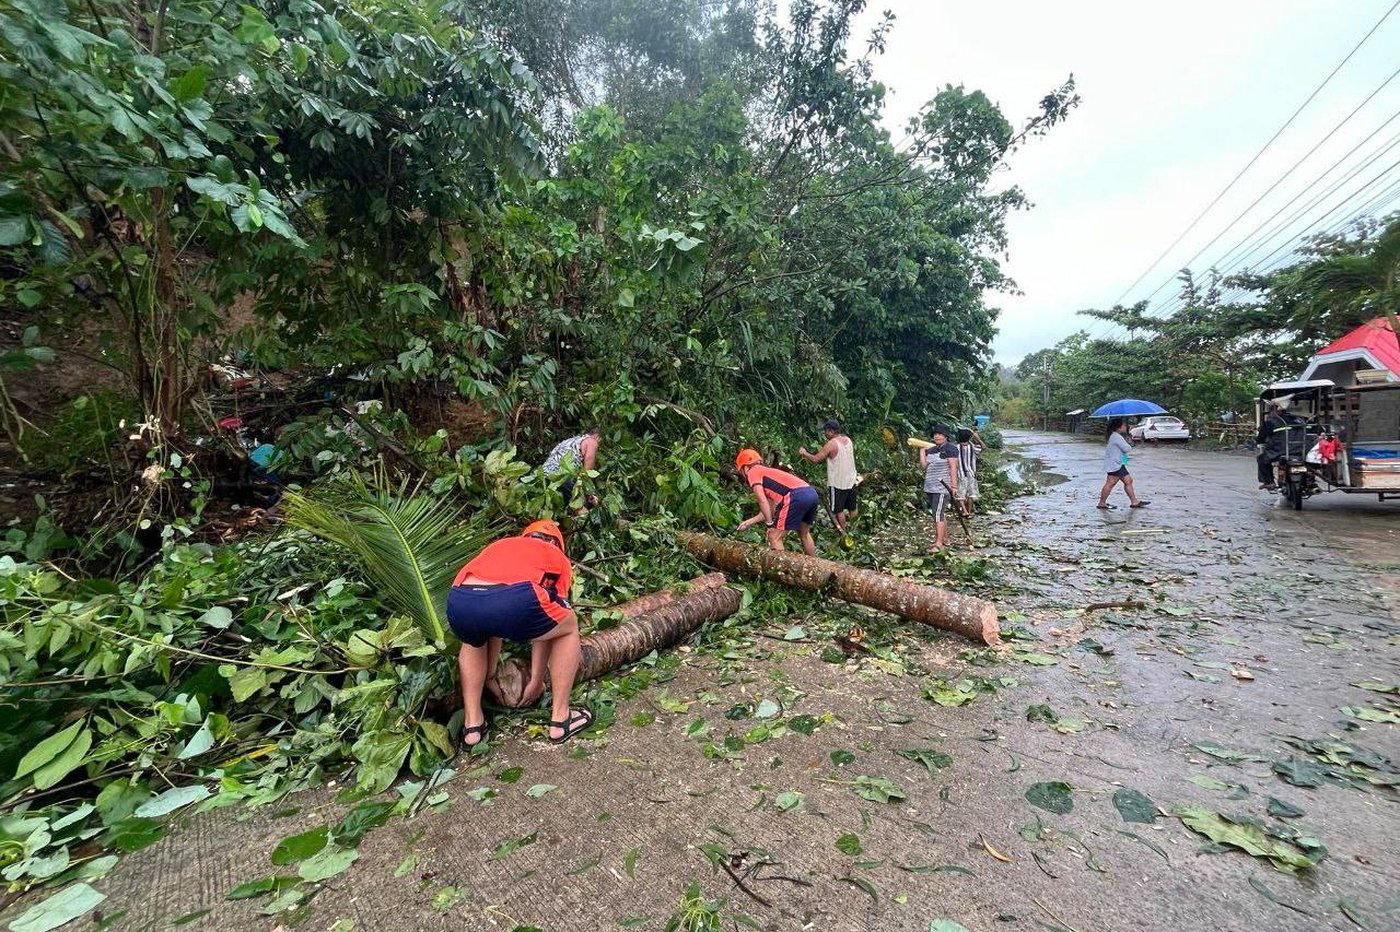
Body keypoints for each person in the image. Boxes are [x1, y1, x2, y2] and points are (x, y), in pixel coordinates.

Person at [445, 520, 593, 748]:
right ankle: (561, 718)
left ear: (525, 536)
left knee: (473, 638)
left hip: (460, 600)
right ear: (558, 544)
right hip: (515, 599)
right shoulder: (555, 555)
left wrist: (490, 676)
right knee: (568, 626)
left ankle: (472, 725)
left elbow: (489, 616)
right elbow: (549, 627)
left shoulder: (502, 545)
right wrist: (535, 680)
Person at [735, 448, 819, 555]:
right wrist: (749, 522)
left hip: (796, 496)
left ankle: (782, 570)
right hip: (811, 493)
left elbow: (762, 500)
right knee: (804, 534)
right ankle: (814, 566)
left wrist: (770, 525)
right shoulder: (767, 474)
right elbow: (769, 509)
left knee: (774, 536)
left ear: (745, 468)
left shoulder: (753, 472)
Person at [799, 419, 859, 531]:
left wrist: (804, 453)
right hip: (851, 480)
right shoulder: (848, 440)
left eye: (826, 431)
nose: (825, 434)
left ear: (831, 431)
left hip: (838, 482)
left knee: (838, 510)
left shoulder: (831, 444)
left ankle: (844, 533)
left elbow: (816, 459)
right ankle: (855, 532)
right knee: (852, 507)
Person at [920, 425, 960, 551]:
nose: (937, 436)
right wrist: (922, 451)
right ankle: (945, 539)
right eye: (935, 434)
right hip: (930, 486)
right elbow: (923, 466)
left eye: (940, 434)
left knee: (938, 515)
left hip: (942, 487)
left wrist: (954, 486)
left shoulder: (951, 449)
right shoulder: (931, 450)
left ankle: (938, 543)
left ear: (946, 436)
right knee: (938, 514)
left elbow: (953, 467)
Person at [1098, 418, 1148, 509]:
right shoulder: (1117, 437)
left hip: (1117, 464)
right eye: (1124, 425)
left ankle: (1134, 502)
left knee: (1128, 481)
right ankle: (1102, 503)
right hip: (1115, 465)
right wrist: (1129, 442)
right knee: (1110, 483)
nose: (1126, 427)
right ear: (1119, 427)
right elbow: (1126, 449)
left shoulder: (1115, 436)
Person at [543, 427, 600, 506]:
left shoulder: (571, 440)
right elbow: (587, 472)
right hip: (561, 476)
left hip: (545, 475)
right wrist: (590, 493)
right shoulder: (592, 442)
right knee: (579, 509)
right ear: (597, 436)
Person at [1256, 403, 1287, 490]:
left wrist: (1259, 441)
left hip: (1279, 451)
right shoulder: (1298, 419)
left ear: (1274, 411)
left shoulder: (1270, 421)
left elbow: (1261, 438)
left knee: (1261, 458)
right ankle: (1310, 480)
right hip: (1301, 450)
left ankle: (1269, 482)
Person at [954, 426, 986, 514]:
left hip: (960, 473)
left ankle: (964, 511)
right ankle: (968, 511)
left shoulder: (956, 447)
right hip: (971, 473)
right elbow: (984, 448)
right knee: (971, 494)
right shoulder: (972, 447)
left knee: (960, 493)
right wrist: (978, 438)